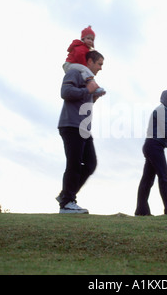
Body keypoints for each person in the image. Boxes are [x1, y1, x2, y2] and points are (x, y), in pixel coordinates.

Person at [57, 51, 105, 214]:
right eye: (99, 63)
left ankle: (66, 195)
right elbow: (65, 93)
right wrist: (88, 91)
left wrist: (94, 96)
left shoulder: (88, 80)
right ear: (89, 61)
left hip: (84, 128)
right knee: (74, 164)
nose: (100, 68)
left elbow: (83, 100)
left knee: (90, 164)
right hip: (71, 125)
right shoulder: (74, 73)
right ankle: (67, 203)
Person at [135, 90, 167, 216]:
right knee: (164, 178)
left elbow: (164, 132)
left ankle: (141, 212)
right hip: (154, 147)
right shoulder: (161, 110)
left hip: (152, 146)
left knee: (147, 180)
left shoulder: (164, 111)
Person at [62, 25, 105, 95]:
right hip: (69, 65)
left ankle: (93, 87)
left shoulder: (85, 48)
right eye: (88, 38)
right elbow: (79, 55)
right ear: (83, 39)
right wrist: (84, 64)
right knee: (84, 69)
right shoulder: (81, 46)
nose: (90, 41)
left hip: (73, 65)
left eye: (92, 40)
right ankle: (91, 83)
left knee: (84, 70)